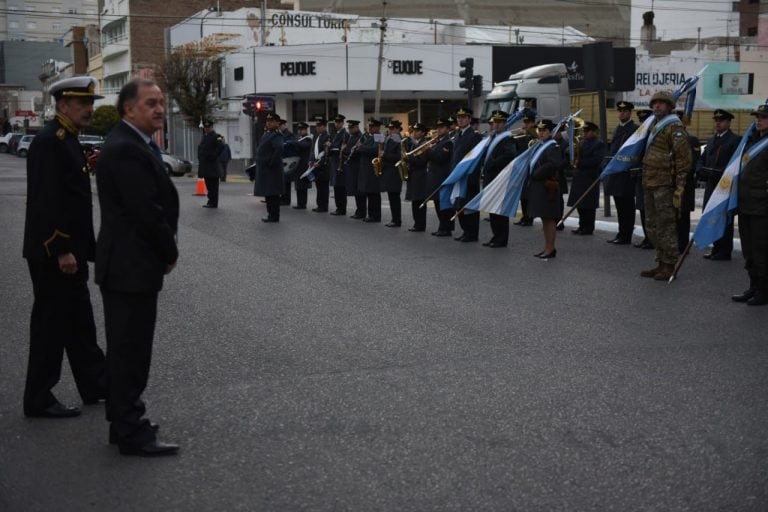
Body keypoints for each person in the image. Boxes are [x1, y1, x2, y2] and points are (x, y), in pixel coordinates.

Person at [95, 78, 179, 456]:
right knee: (131, 351)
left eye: (161, 102)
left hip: (129, 264)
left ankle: (122, 421)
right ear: (129, 109)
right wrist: (169, 250)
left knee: (125, 348)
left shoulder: (134, 143)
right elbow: (146, 211)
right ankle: (131, 430)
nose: (160, 109)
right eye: (150, 103)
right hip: (131, 265)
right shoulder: (126, 148)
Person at [22, 75, 106, 418]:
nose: (89, 109)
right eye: (82, 104)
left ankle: (96, 384)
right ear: (62, 105)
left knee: (79, 321)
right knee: (51, 325)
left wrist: (87, 166)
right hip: (52, 252)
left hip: (67, 250)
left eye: (90, 103)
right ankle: (38, 398)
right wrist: (61, 249)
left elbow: (68, 189)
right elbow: (46, 201)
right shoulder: (49, 140)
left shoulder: (67, 139)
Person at [639, 90, 693, 280]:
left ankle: (669, 265)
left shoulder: (674, 127)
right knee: (651, 225)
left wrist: (679, 187)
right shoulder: (653, 124)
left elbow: (683, 160)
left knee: (666, 226)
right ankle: (660, 262)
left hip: (665, 185)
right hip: (650, 182)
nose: (657, 106)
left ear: (670, 106)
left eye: (662, 103)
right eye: (655, 103)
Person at [732, 103, 768, 305]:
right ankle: (753, 286)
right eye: (757, 117)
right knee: (749, 252)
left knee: (761, 251)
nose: (759, 120)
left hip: (762, 206)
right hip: (746, 203)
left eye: (763, 117)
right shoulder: (752, 140)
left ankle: (764, 290)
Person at [699, 109, 740, 260]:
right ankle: (716, 248)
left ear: (728, 122)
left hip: (724, 187)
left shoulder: (734, 140)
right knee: (712, 216)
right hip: (711, 185)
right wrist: (700, 170)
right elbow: (702, 158)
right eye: (716, 120)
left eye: (721, 120)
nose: (718, 123)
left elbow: (735, 164)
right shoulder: (711, 140)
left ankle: (724, 250)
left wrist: (719, 173)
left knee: (723, 218)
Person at [480, 110, 517, 247]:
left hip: (499, 176)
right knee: (492, 208)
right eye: (495, 122)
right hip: (491, 176)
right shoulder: (494, 138)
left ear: (505, 123)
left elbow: (510, 154)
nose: (496, 125)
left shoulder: (507, 138)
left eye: (499, 122)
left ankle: (501, 239)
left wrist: (493, 163)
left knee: (499, 210)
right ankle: (496, 236)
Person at [527, 119, 563, 259]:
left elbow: (553, 164)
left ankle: (550, 248)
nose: (541, 133)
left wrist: (536, 174)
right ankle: (548, 247)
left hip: (547, 187)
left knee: (549, 219)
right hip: (539, 186)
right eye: (539, 130)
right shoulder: (540, 145)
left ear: (550, 132)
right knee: (545, 219)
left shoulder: (553, 146)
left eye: (544, 130)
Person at [605, 101, 638, 245]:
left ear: (630, 113)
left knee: (627, 207)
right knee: (619, 205)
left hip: (626, 173)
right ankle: (621, 233)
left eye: (625, 111)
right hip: (616, 173)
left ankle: (626, 235)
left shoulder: (635, 129)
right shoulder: (618, 128)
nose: (622, 113)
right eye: (620, 111)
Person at [567, 121, 606, 236]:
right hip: (579, 176)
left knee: (588, 205)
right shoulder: (582, 142)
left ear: (594, 132)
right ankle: (581, 225)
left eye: (587, 131)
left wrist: (579, 163)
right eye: (583, 131)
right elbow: (575, 154)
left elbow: (596, 160)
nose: (584, 133)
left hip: (590, 176)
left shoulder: (598, 144)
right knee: (580, 204)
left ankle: (588, 227)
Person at [451, 107, 483, 242]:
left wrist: (472, 176)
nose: (460, 119)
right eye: (459, 117)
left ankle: (472, 233)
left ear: (469, 119)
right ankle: (465, 231)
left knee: (470, 206)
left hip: (469, 176)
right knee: (459, 205)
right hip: (458, 176)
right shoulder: (458, 134)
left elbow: (477, 158)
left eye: (463, 117)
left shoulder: (474, 136)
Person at [426, 118, 455, 237]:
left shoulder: (448, 142)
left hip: (442, 176)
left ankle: (446, 228)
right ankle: (442, 227)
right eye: (438, 127)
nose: (439, 129)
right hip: (435, 176)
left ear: (448, 129)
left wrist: (428, 150)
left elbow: (440, 158)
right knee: (438, 203)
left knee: (444, 204)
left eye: (442, 127)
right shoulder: (438, 141)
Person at [254, 112, 285, 222]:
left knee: (273, 194)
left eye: (271, 121)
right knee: (268, 193)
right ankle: (270, 214)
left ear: (277, 123)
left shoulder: (276, 134)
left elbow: (279, 149)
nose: (269, 123)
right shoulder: (267, 134)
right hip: (265, 169)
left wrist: (271, 163)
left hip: (272, 169)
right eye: (268, 121)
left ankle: (274, 216)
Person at [633, 109, 654, 249]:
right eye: (641, 122)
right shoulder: (638, 137)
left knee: (652, 210)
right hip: (640, 178)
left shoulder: (655, 137)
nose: (643, 124)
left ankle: (653, 239)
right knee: (642, 208)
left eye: (645, 121)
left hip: (652, 179)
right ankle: (647, 238)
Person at [513, 111, 537, 226]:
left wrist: (526, 132)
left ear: (533, 123)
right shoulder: (524, 134)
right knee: (523, 194)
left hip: (530, 166)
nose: (525, 124)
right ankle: (524, 216)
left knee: (528, 194)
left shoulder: (535, 132)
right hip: (522, 166)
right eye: (525, 122)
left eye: (528, 122)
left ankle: (529, 218)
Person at [357, 118, 383, 223]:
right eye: (369, 126)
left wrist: (361, 147)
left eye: (372, 127)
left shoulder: (379, 137)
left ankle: (375, 216)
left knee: (374, 193)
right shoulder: (368, 137)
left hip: (373, 169)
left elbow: (375, 150)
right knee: (370, 193)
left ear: (377, 127)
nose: (370, 128)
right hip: (367, 169)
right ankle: (371, 214)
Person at [404, 123, 429, 232]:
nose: (414, 132)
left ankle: (420, 224)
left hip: (421, 176)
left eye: (417, 131)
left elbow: (422, 161)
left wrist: (408, 159)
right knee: (415, 201)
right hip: (414, 175)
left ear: (423, 133)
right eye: (414, 130)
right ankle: (417, 223)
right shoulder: (414, 144)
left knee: (419, 201)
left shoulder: (424, 144)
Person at [382, 119, 404, 227]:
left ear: (396, 129)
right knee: (391, 196)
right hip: (388, 171)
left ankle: (396, 220)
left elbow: (399, 157)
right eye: (389, 128)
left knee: (394, 197)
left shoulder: (399, 140)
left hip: (395, 172)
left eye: (391, 128)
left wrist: (384, 155)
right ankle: (394, 219)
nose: (389, 130)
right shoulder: (389, 139)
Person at [197, 120, 224, 208]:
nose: (207, 129)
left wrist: (214, 156)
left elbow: (221, 146)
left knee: (213, 186)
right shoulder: (204, 137)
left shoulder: (217, 136)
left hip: (212, 166)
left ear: (212, 127)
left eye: (208, 127)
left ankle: (214, 203)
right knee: (208, 185)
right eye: (205, 128)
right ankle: (210, 201)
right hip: (205, 166)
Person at [341, 120, 364, 218]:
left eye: (351, 128)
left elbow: (354, 151)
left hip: (357, 166)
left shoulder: (360, 137)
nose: (349, 130)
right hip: (352, 166)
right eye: (349, 128)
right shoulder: (352, 136)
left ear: (356, 127)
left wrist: (345, 149)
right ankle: (359, 210)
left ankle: (361, 211)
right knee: (355, 190)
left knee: (359, 191)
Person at [328, 114, 348, 216]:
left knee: (341, 187)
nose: (337, 124)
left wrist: (332, 147)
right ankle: (338, 207)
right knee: (336, 186)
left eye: (339, 122)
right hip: (334, 162)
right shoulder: (334, 133)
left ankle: (342, 208)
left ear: (342, 123)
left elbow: (342, 148)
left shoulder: (345, 134)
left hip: (341, 163)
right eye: (336, 122)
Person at [290, 122, 313, 210]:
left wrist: (293, 142)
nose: (299, 131)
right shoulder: (299, 138)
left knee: (303, 186)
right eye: (299, 130)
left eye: (301, 130)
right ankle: (300, 202)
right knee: (298, 185)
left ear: (305, 130)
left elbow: (302, 145)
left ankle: (302, 203)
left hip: (304, 165)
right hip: (298, 165)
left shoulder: (308, 139)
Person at [311, 118, 330, 212]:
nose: (317, 128)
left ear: (324, 126)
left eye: (319, 126)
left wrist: (320, 163)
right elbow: (313, 150)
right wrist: (311, 160)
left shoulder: (327, 136)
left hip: (323, 166)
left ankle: (324, 206)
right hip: (315, 165)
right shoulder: (316, 136)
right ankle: (319, 205)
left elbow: (326, 153)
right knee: (319, 186)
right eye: (316, 126)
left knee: (324, 188)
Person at [279, 120, 294, 205]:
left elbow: (290, 146)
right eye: (280, 125)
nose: (280, 127)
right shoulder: (281, 134)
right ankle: (283, 198)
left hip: (287, 161)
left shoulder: (289, 134)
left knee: (286, 182)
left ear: (285, 125)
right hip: (282, 160)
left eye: (282, 125)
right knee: (282, 181)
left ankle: (286, 199)